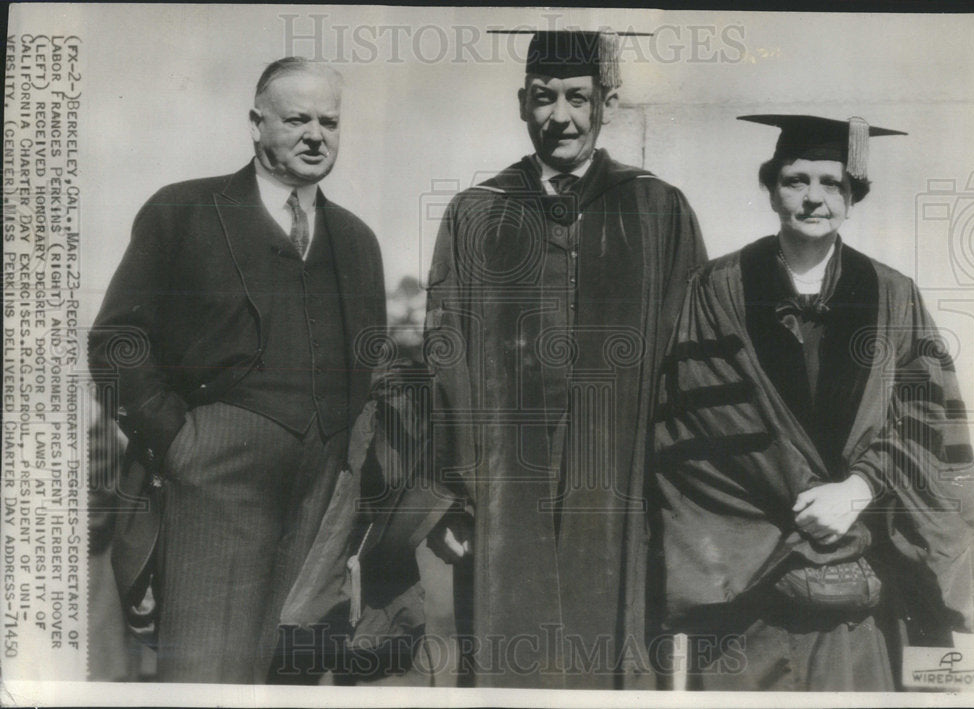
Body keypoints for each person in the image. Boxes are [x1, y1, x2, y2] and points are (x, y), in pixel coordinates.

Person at [651, 115, 974, 690]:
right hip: (753, 584)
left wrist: (858, 489)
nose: (813, 198)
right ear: (771, 188)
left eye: (831, 183)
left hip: (869, 589)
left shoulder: (892, 293)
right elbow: (696, 425)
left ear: (852, 196)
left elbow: (927, 417)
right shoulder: (716, 288)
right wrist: (807, 507)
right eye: (795, 180)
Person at [421, 30, 706, 688]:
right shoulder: (477, 213)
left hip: (619, 475)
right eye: (545, 98)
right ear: (523, 103)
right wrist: (463, 488)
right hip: (505, 478)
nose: (561, 117)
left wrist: (672, 486)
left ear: (605, 104)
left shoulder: (657, 208)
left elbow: (690, 354)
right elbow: (446, 351)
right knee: (510, 645)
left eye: (578, 98)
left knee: (608, 646)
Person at [88, 57, 386, 683]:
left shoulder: (357, 241)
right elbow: (118, 339)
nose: (315, 134)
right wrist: (179, 443)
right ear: (256, 124)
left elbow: (370, 365)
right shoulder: (184, 211)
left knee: (295, 677)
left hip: (321, 493)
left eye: (329, 121)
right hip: (214, 480)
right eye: (297, 118)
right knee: (203, 676)